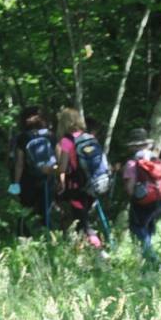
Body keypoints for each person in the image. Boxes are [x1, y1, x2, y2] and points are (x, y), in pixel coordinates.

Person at [55, 107, 104, 250]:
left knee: (82, 221)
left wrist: (51, 170)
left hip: (76, 187)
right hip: (93, 184)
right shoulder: (90, 138)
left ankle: (99, 250)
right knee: (82, 218)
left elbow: (63, 168)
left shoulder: (66, 141)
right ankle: (81, 249)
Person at [121, 128, 161, 265]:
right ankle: (146, 265)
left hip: (142, 202)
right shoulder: (158, 161)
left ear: (133, 146)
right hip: (159, 201)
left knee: (138, 230)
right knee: (148, 231)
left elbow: (129, 189)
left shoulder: (132, 163)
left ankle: (154, 262)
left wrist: (138, 195)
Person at [9, 107, 57, 233]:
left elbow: (19, 163)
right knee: (45, 211)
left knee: (25, 210)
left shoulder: (22, 137)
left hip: (27, 180)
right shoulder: (51, 135)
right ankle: (49, 238)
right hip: (48, 178)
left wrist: (15, 184)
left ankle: (23, 237)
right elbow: (58, 159)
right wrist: (60, 178)